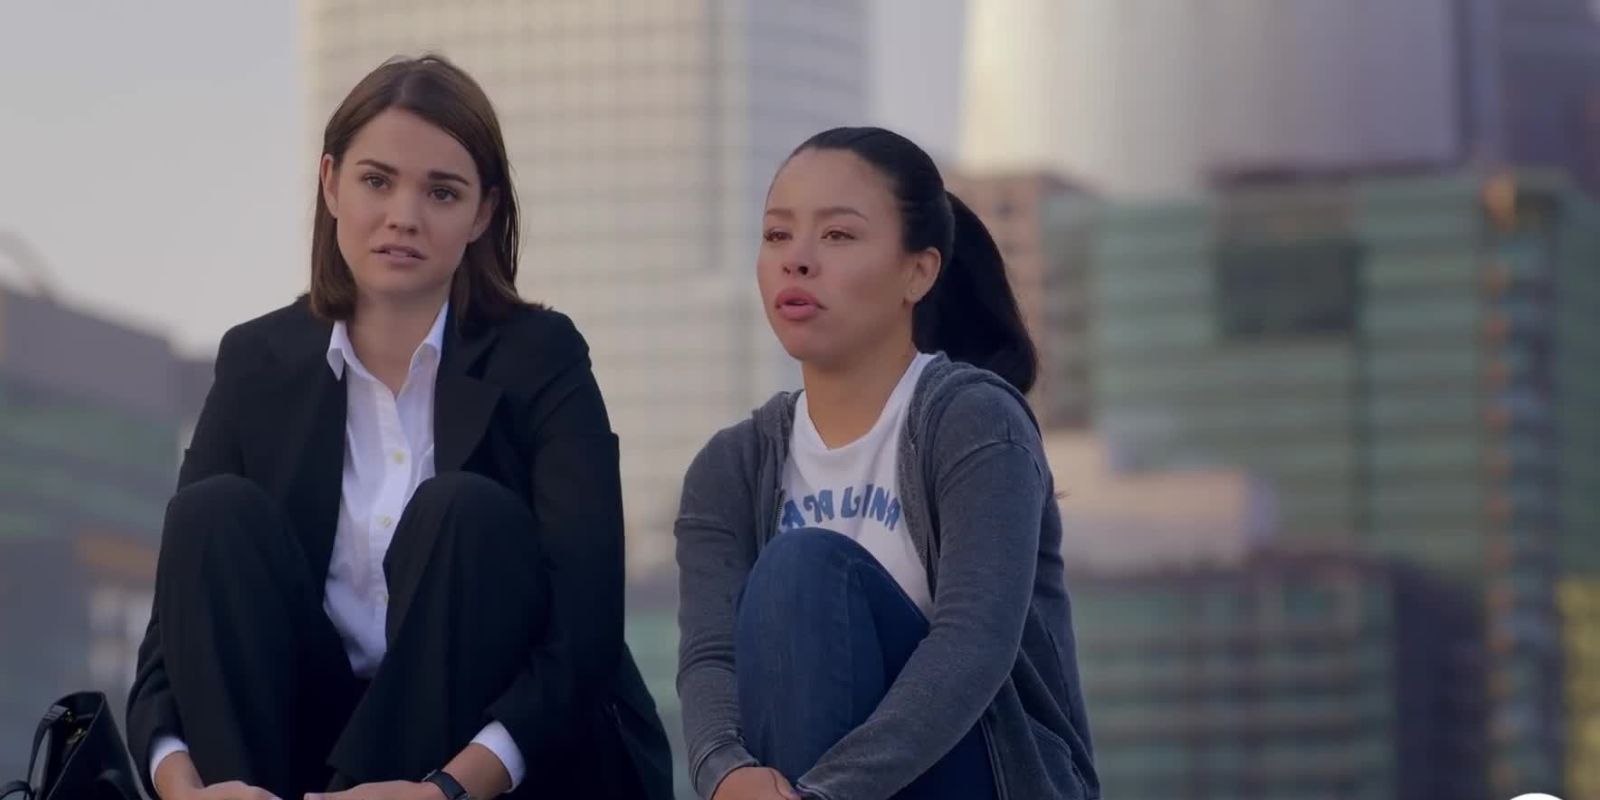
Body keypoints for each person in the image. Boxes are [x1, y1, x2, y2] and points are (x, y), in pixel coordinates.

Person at [126, 54, 673, 800]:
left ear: (482, 212)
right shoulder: (257, 360)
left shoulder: (544, 358)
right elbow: (176, 628)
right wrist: (182, 788)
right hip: (288, 757)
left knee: (464, 512)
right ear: (330, 184)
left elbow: (584, 630)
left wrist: (445, 789)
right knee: (210, 514)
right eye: (376, 181)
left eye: (441, 192)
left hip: (490, 760)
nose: (403, 217)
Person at [674, 127, 1099, 800]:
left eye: (838, 236)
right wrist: (727, 772)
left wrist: (824, 794)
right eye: (778, 236)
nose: (798, 261)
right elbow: (711, 660)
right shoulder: (729, 468)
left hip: (988, 779)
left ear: (919, 271)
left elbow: (972, 646)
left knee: (801, 570)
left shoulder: (973, 422)